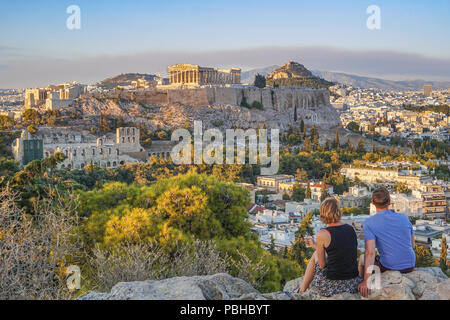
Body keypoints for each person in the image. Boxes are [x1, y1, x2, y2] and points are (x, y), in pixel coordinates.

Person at [298, 198, 362, 297]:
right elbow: (338, 251)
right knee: (318, 253)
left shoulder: (322, 234)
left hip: (331, 285)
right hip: (352, 283)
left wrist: (316, 247)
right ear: (338, 211)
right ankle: (301, 290)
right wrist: (315, 245)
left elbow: (322, 265)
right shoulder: (351, 229)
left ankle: (301, 291)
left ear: (323, 213)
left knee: (315, 256)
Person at [358, 187, 416, 297]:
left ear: (372, 203)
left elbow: (370, 253)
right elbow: (412, 245)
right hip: (410, 265)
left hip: (390, 266)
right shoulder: (404, 218)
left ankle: (363, 287)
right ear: (389, 202)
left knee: (362, 259)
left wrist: (366, 280)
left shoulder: (369, 223)